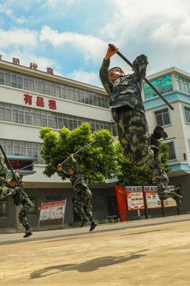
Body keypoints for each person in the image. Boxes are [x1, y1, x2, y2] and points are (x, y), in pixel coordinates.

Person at [99, 44, 181, 202]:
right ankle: (153, 146)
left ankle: (159, 175)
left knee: (142, 158)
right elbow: (102, 76)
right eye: (110, 75)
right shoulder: (111, 88)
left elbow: (143, 60)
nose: (110, 76)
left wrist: (136, 67)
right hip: (121, 121)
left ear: (122, 72)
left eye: (113, 73)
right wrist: (107, 57)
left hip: (135, 117)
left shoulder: (133, 79)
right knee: (129, 157)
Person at [57, 154, 97, 231]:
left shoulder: (78, 173)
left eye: (71, 170)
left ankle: (84, 218)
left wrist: (72, 158)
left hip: (84, 192)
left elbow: (75, 165)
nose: (70, 171)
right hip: (86, 193)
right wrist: (60, 169)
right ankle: (93, 223)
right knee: (86, 209)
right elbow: (64, 174)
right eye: (69, 171)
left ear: (74, 170)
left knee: (76, 205)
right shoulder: (71, 176)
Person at [7, 173, 34, 238]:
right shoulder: (13, 189)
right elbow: (7, 185)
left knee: (21, 215)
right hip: (25, 204)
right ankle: (28, 230)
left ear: (15, 182)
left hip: (27, 203)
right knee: (21, 216)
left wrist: (14, 174)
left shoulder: (20, 187)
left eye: (12, 183)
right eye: (11, 183)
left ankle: (29, 228)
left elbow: (19, 180)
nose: (11, 184)